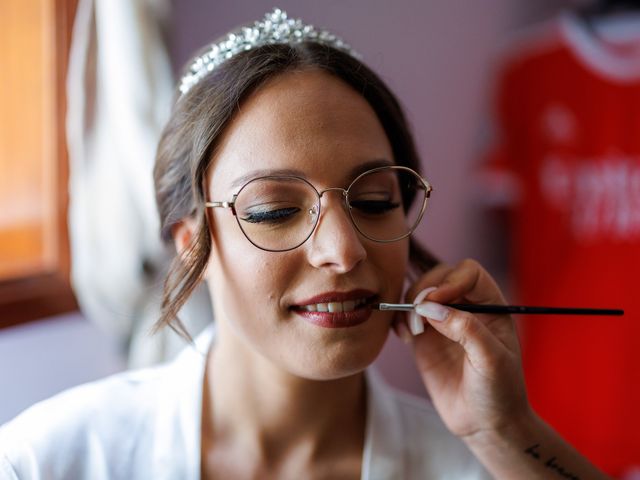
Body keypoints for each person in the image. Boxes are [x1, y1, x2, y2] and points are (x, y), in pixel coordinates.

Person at [0, 8, 611, 479]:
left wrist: (504, 430)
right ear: (194, 246)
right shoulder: (54, 459)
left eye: (373, 201)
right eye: (274, 211)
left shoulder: (488, 461)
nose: (344, 252)